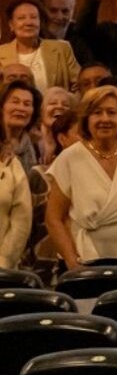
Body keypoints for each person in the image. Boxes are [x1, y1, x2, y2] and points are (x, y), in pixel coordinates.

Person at [44, 86, 117, 270]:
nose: (105, 119)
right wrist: (72, 262)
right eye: (97, 113)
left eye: (111, 112)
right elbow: (54, 218)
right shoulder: (69, 158)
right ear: (87, 119)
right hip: (83, 262)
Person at [0, 0, 79, 91]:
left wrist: (65, 100)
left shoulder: (62, 48)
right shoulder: (1, 53)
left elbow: (79, 85)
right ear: (11, 25)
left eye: (33, 17)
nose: (28, 22)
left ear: (40, 22)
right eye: (21, 18)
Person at [0, 82, 34, 272]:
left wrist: (4, 262)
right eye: (15, 102)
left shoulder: (11, 164)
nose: (21, 108)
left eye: (27, 103)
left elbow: (22, 218)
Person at [40, 0, 94, 72]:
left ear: (73, 11)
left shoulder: (81, 36)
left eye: (65, 11)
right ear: (41, 10)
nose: (59, 17)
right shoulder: (32, 36)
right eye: (53, 11)